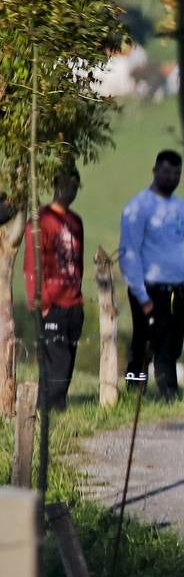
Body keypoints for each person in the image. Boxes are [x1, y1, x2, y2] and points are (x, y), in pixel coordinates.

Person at [119, 149, 184, 397]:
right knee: (146, 342)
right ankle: (139, 388)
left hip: (180, 288)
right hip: (150, 287)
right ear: (155, 171)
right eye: (166, 172)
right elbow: (129, 252)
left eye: (176, 173)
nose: (171, 177)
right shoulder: (139, 207)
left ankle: (167, 387)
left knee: (172, 341)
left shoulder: (183, 208)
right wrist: (142, 295)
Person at [23, 167, 84, 410]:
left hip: (73, 301)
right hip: (51, 302)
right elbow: (31, 266)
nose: (68, 191)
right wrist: (41, 302)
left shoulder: (75, 221)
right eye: (64, 185)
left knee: (67, 362)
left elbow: (79, 259)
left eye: (73, 186)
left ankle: (50, 408)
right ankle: (51, 411)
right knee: (56, 361)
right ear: (54, 186)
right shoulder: (41, 221)